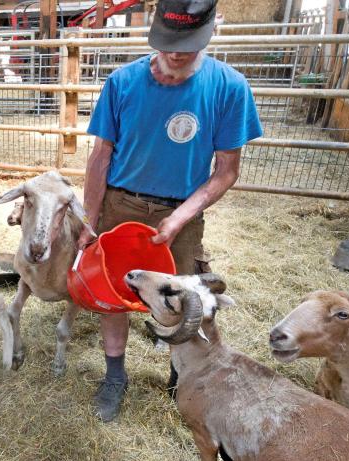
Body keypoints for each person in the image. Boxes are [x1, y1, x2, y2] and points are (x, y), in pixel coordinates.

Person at [78, 0, 263, 421]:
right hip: (121, 203)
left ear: (211, 32)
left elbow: (227, 171)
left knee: (182, 299)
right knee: (114, 293)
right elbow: (100, 156)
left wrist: (181, 217)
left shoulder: (230, 88)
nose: (176, 54)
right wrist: (89, 219)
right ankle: (115, 375)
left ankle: (179, 379)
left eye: (187, 45)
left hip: (182, 212)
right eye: (167, 43)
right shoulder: (122, 82)